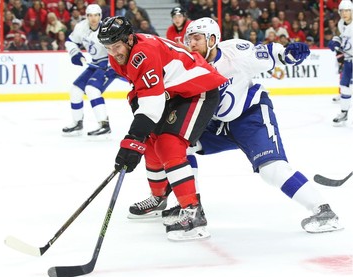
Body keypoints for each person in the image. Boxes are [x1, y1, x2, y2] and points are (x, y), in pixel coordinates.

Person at [138, 17, 344, 235]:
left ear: (213, 39)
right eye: (189, 38)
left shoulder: (236, 52)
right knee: (178, 147)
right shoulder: (186, 63)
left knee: (272, 170)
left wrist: (289, 53)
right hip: (215, 125)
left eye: (197, 38)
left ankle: (323, 211)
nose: (192, 43)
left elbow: (269, 53)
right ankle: (191, 209)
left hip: (250, 117)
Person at [97, 16, 227, 241]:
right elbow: (145, 92)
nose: (113, 52)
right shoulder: (120, 56)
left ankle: (193, 212)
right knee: (149, 143)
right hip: (172, 92)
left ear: (129, 39)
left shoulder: (143, 53)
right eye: (107, 48)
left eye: (116, 46)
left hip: (198, 90)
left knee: (169, 144)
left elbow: (152, 105)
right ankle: (159, 198)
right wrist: (137, 141)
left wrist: (131, 140)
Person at [63, 4, 117, 136]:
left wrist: (113, 66)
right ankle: (77, 123)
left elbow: (118, 48)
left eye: (96, 15)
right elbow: (70, 41)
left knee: (92, 89)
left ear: (100, 16)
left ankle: (104, 124)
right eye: (91, 15)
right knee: (75, 90)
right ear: (86, 16)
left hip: (110, 63)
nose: (93, 18)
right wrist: (75, 53)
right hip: (95, 63)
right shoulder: (81, 27)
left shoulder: (107, 29)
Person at [327, 0, 352, 125]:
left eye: (347, 10)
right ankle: (344, 112)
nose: (345, 13)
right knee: (344, 87)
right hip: (348, 60)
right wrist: (335, 41)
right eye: (342, 11)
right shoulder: (341, 23)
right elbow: (341, 36)